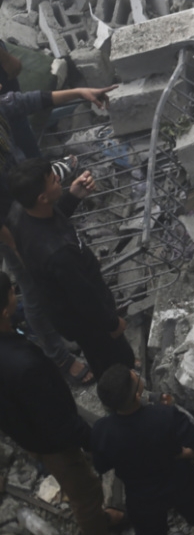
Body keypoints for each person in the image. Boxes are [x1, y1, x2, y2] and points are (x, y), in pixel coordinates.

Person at [0, 84, 109, 385]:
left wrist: (82, 92)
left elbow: (34, 99)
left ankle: (70, 322)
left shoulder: (1, 110)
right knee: (33, 286)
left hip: (26, 200)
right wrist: (22, 252)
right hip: (7, 221)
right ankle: (57, 353)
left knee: (53, 266)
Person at [0, 270, 122, 535]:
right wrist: (92, 440)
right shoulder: (24, 365)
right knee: (86, 492)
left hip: (24, 425)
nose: (15, 295)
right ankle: (97, 526)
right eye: (11, 292)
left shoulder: (11, 346)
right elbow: (58, 423)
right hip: (49, 440)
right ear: (4, 310)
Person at [7, 156, 133, 377]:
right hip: (88, 322)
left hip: (68, 312)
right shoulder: (59, 253)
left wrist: (72, 197)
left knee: (102, 352)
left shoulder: (21, 213)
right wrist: (113, 324)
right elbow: (85, 298)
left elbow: (50, 222)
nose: (59, 178)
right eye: (54, 181)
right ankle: (124, 387)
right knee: (112, 359)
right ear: (42, 197)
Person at [91, 366, 194, 535]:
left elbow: (101, 466)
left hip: (141, 497)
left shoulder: (101, 431)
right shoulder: (166, 416)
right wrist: (186, 453)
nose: (139, 377)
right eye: (137, 378)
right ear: (138, 396)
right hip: (183, 483)